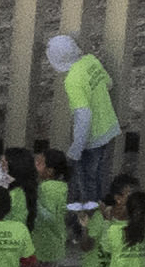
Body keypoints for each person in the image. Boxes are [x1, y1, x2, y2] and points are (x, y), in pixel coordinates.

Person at [44, 34, 120, 207]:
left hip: (91, 138)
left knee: (88, 184)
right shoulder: (90, 61)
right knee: (99, 177)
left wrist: (76, 148)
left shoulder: (72, 80)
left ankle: (89, 224)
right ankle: (102, 217)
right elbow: (109, 83)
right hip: (108, 128)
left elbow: (83, 115)